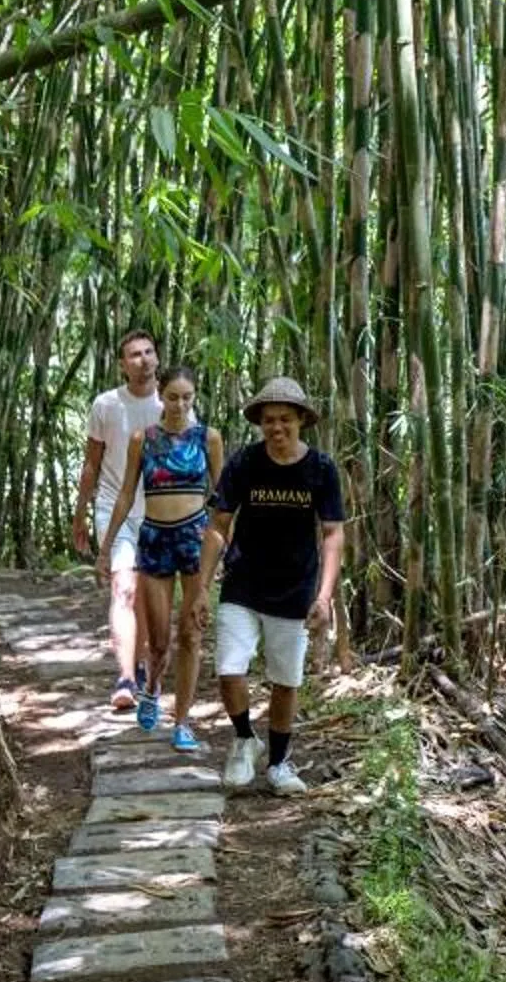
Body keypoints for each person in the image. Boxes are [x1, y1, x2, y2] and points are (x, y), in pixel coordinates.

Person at [206, 375, 346, 796]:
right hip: (244, 582)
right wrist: (197, 589)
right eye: (269, 420)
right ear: (260, 423)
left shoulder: (320, 469)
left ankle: (280, 763)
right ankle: (245, 739)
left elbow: (333, 533)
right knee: (229, 668)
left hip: (295, 589)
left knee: (286, 680)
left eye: (285, 419)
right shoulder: (245, 463)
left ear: (301, 420)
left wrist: (323, 596)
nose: (277, 427)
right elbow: (219, 524)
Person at [94, 365, 215, 751]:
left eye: (187, 397)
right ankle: (150, 688)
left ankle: (182, 721)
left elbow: (223, 497)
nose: (180, 404)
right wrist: (106, 545)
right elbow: (127, 494)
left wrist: (224, 545)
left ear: (194, 398)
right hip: (154, 539)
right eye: (173, 396)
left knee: (191, 633)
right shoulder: (141, 439)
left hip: (194, 539)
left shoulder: (208, 438)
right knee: (160, 640)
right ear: (160, 396)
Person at [72, 329, 160, 712]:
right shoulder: (106, 405)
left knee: (144, 594)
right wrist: (80, 514)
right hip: (113, 507)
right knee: (123, 587)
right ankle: (125, 677)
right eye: (134, 355)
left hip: (158, 510)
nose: (143, 359)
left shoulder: (172, 403)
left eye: (148, 352)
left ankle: (140, 665)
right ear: (122, 365)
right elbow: (92, 464)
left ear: (156, 357)